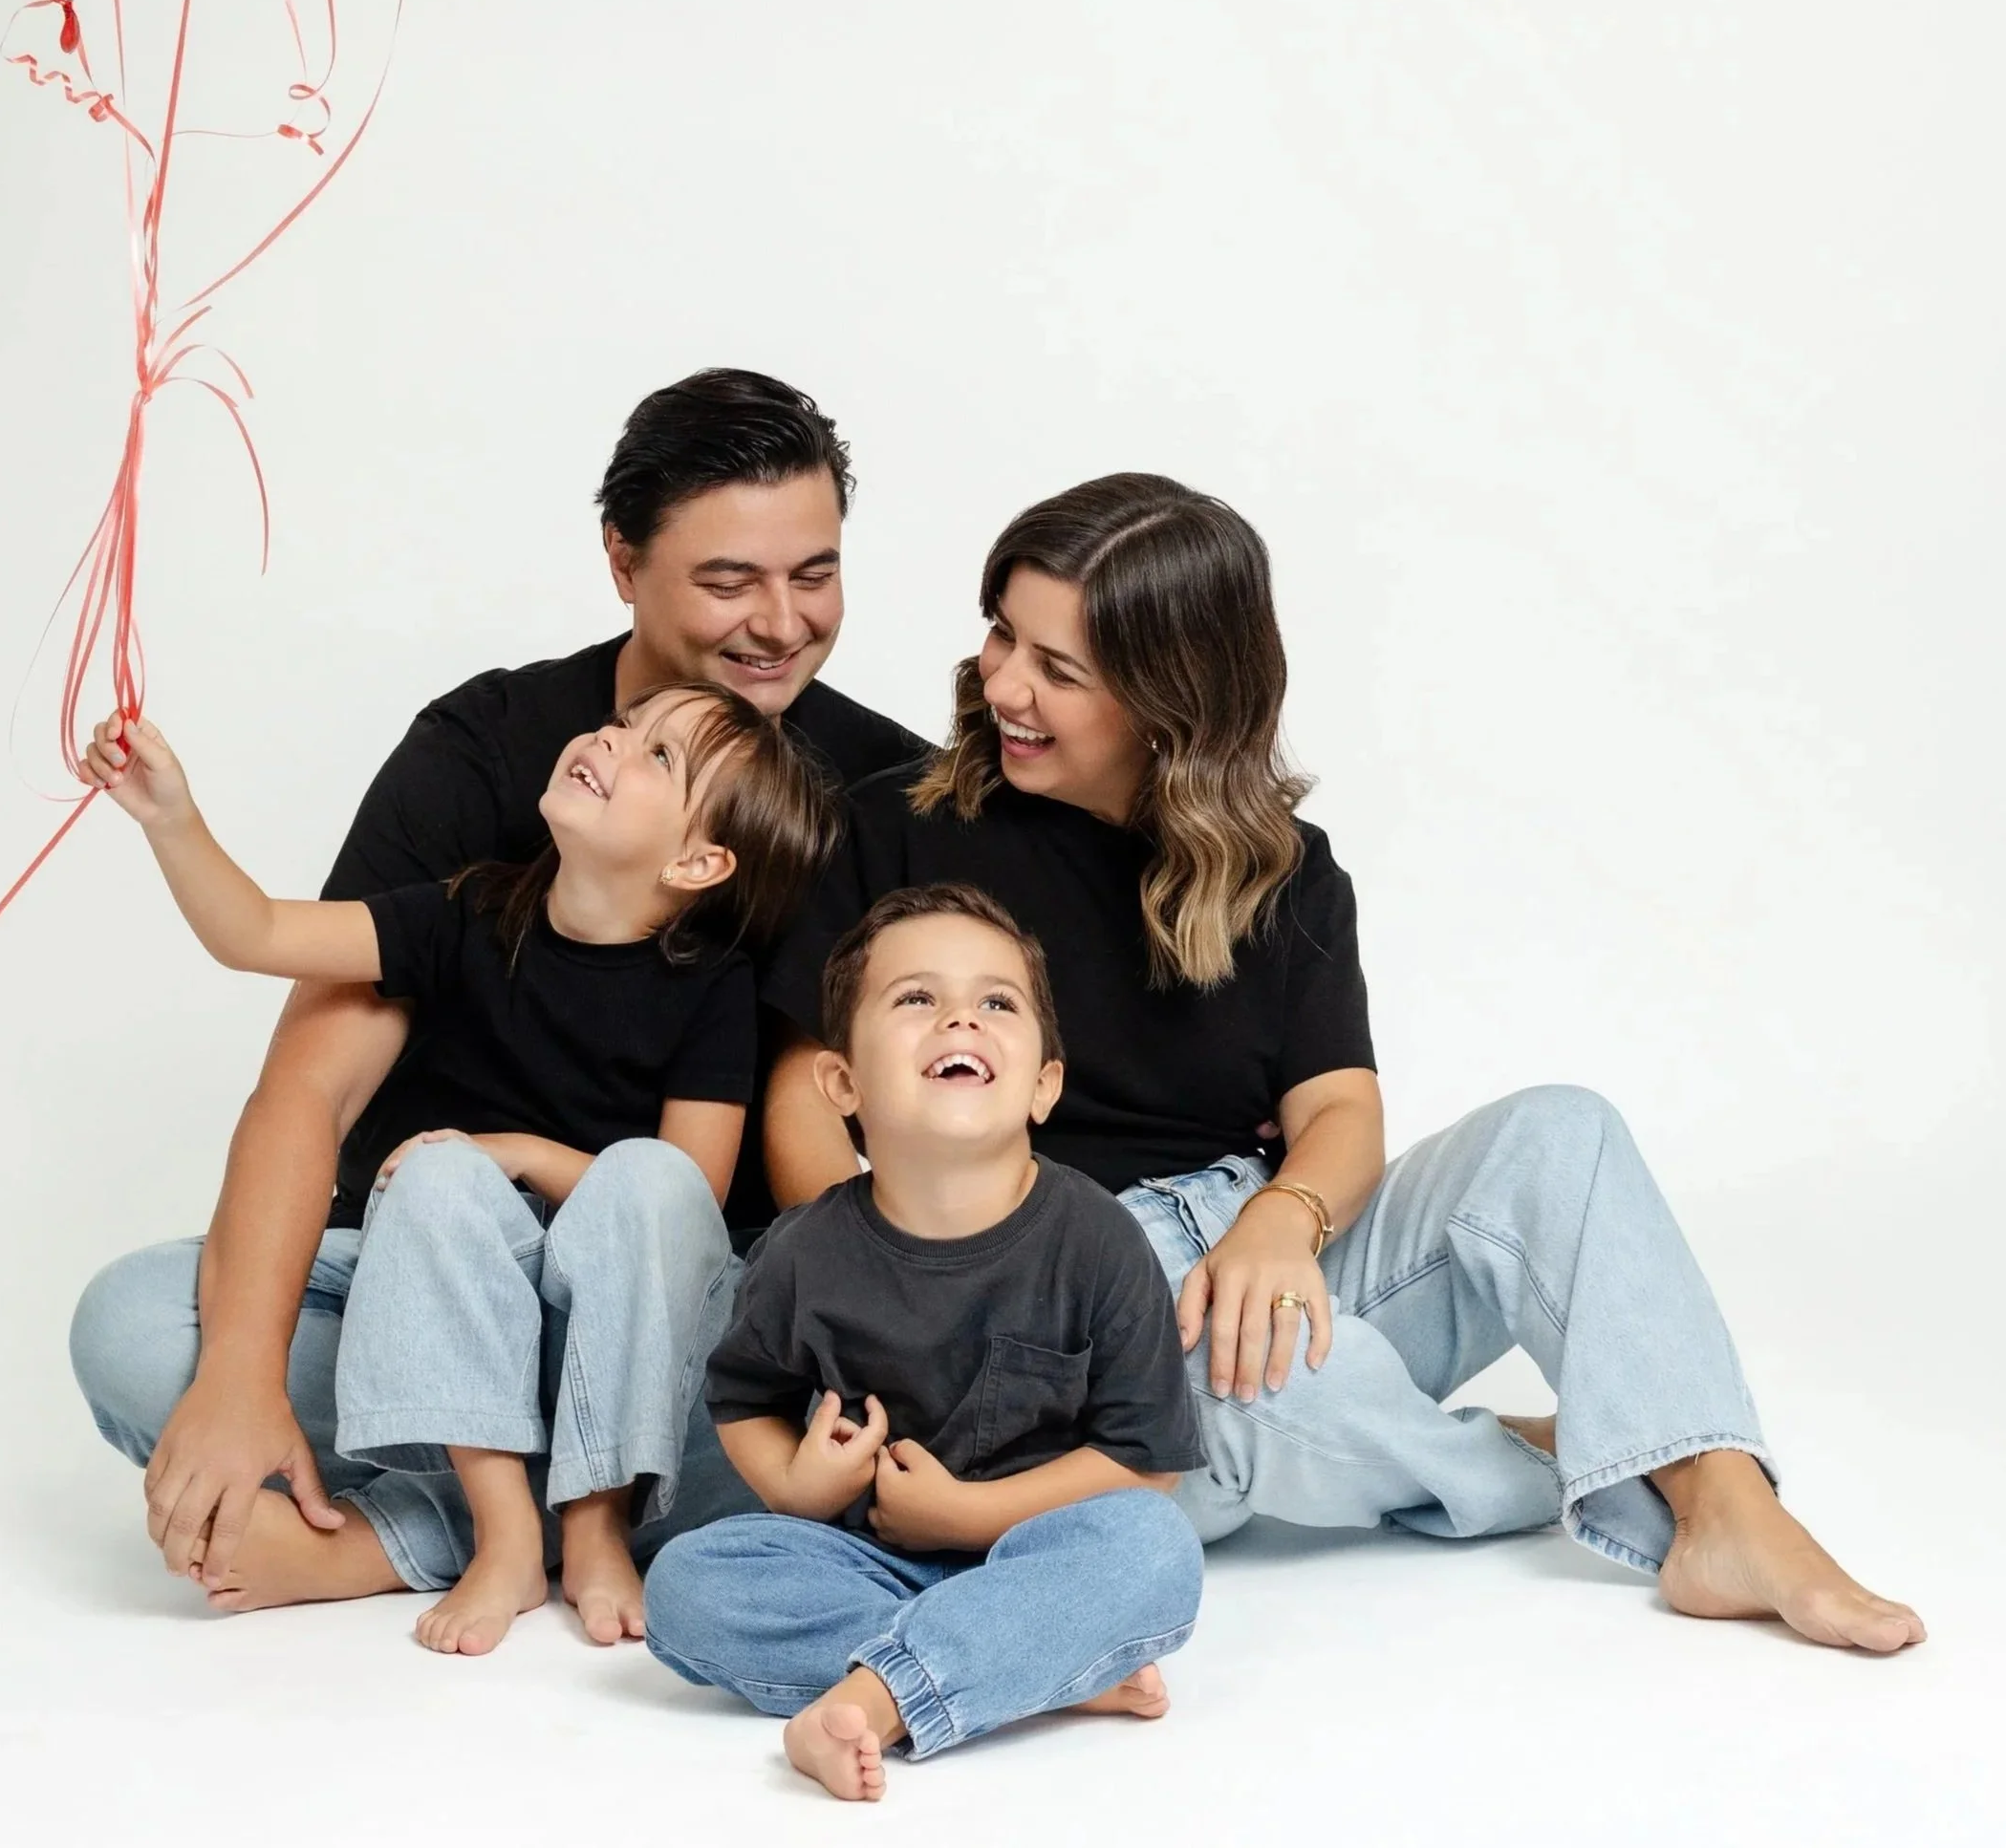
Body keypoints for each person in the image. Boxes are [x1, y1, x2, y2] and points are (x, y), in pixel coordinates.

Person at [762, 474, 1926, 1656]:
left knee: (1561, 1131)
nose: (1003, 683)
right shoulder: (898, 827)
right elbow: (807, 1094)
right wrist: (900, 1296)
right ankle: (1579, 1456)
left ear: (1172, 699)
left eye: (1057, 669)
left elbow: (1340, 1110)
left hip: (1265, 1258)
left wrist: (1282, 1220)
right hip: (1051, 1302)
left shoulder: (1285, 871)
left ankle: (1726, 1502)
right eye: (1003, 633)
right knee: (1242, 1382)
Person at [69, 370, 926, 1613]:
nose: (781, 623)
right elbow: (307, 1084)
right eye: (728, 580)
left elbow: (805, 1137)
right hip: (436, 1279)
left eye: (815, 574)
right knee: (137, 1330)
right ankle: (585, 1507)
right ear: (622, 560)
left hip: (683, 1307)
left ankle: (413, 1536)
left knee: (875, 1377)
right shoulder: (489, 760)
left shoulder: (882, 789)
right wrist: (242, 1372)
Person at [81, 681, 835, 1649]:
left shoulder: (713, 983)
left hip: (631, 1334)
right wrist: (171, 819)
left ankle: (547, 1524)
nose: (611, 739)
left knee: (663, 1204)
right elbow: (258, 932)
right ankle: (508, 1528)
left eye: (658, 755)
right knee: (146, 1314)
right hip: (449, 1301)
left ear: (697, 862)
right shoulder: (466, 911)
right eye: (622, 723)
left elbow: (688, 1195)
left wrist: (515, 1154)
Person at [646, 885, 1203, 1801]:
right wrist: (797, 1488)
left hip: (1043, 1556)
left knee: (1153, 1549)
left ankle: (875, 1699)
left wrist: (968, 1517)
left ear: (1043, 1085)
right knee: (686, 1584)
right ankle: (1029, 1668)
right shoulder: (803, 1252)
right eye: (915, 997)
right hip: (866, 1563)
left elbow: (1145, 1467)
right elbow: (744, 1400)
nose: (959, 1018)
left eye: (997, 1002)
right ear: (842, 1084)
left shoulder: (1098, 1239)